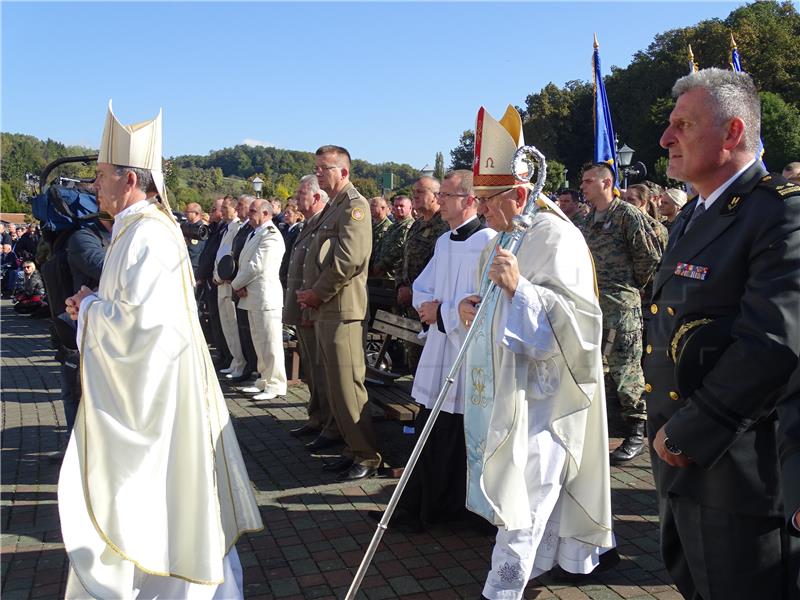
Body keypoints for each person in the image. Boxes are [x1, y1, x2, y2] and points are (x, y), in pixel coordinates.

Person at [59, 101, 262, 599]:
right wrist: (93, 302)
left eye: (103, 175)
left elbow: (142, 330)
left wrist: (87, 312)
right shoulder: (136, 229)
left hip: (161, 399)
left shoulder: (149, 234)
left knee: (164, 505)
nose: (95, 185)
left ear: (130, 181)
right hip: (159, 389)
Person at [644, 68, 800, 599]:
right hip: (680, 458)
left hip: (736, 467)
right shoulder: (694, 214)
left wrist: (690, 431)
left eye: (681, 125)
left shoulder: (781, 212)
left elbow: (773, 344)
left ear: (732, 133)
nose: (666, 138)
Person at [458, 105, 614, 600]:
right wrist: (473, 309)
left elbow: (581, 324)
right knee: (524, 493)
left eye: (488, 199)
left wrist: (520, 289)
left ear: (520, 193)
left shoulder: (557, 235)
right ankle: (535, 569)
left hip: (546, 397)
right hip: (505, 389)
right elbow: (494, 306)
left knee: (527, 492)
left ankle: (500, 590)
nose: (480, 210)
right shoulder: (499, 237)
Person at [386, 169, 495, 533]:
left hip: (469, 354)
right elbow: (423, 285)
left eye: (446, 195)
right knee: (434, 422)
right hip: (440, 345)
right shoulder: (445, 241)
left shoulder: (489, 242)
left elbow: (484, 304)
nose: (440, 202)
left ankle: (462, 509)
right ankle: (432, 502)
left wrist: (442, 313)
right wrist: (427, 308)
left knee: (461, 428)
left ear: (468, 200)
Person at [296, 145, 381, 482]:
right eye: (316, 168)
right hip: (328, 309)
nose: (318, 173)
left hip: (342, 310)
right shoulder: (335, 207)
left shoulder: (355, 207)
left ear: (343, 172)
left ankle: (367, 455)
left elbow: (348, 260)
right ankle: (351, 448)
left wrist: (317, 293)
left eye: (324, 168)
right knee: (333, 386)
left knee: (348, 388)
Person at [579, 162, 661, 464]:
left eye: (589, 181)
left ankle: (637, 432)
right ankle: (602, 429)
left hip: (621, 308)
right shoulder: (589, 220)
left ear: (606, 183)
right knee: (596, 370)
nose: (583, 186)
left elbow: (649, 257)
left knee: (626, 371)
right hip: (592, 306)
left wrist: (631, 288)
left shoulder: (627, 215)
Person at [283, 175, 341, 448]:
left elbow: (324, 269)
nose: (296, 198)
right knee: (311, 370)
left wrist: (309, 306)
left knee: (321, 371)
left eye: (300, 193)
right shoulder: (310, 224)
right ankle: (316, 417)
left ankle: (330, 426)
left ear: (317, 197)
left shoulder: (325, 224)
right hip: (303, 308)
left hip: (314, 308)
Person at [231, 198, 287, 401]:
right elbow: (244, 262)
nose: (249, 214)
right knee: (259, 341)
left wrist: (236, 284)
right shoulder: (256, 233)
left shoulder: (271, 235)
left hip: (265, 296)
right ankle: (264, 380)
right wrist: (240, 283)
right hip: (253, 295)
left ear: (266, 213)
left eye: (253, 211)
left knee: (270, 343)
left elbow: (256, 265)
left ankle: (276, 384)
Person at [215, 195, 248, 378]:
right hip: (220, 281)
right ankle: (235, 361)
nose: (222, 211)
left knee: (233, 326)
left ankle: (240, 363)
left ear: (234, 208)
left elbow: (231, 257)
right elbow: (220, 255)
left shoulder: (237, 227)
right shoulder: (228, 228)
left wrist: (225, 276)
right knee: (227, 325)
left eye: (226, 207)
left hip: (229, 283)